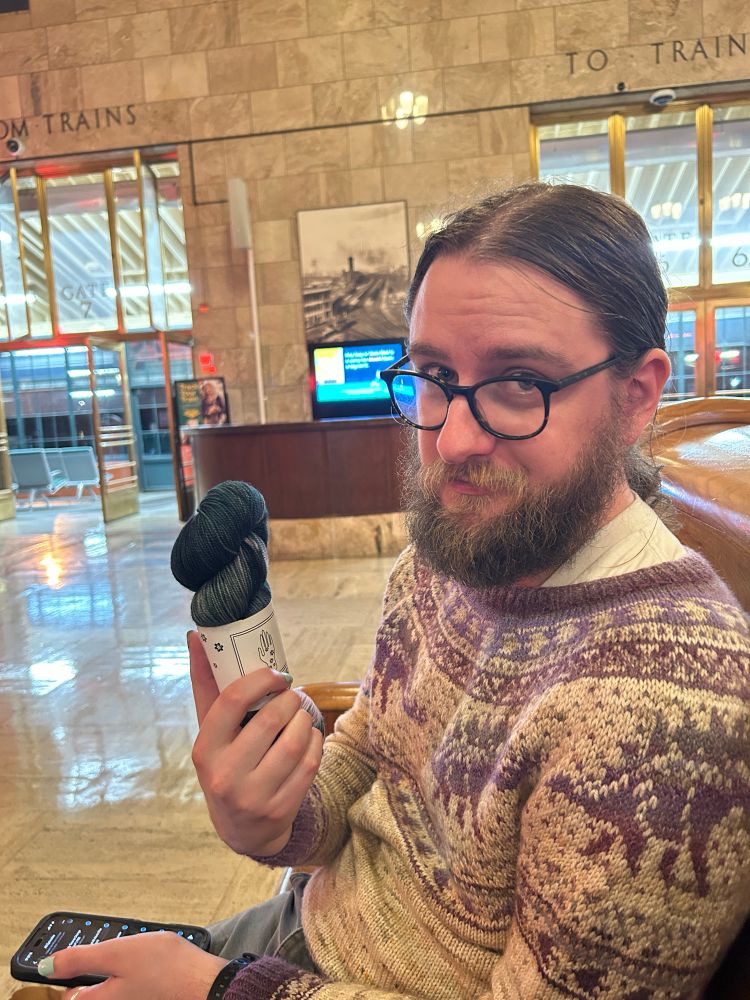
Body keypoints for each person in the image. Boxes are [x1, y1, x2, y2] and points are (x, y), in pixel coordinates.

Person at [46, 184, 750, 1000]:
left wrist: (221, 992)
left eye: (520, 382)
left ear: (636, 396)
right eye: (434, 377)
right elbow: (372, 752)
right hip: (305, 932)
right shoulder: (460, 547)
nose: (452, 439)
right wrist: (279, 815)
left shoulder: (670, 711)